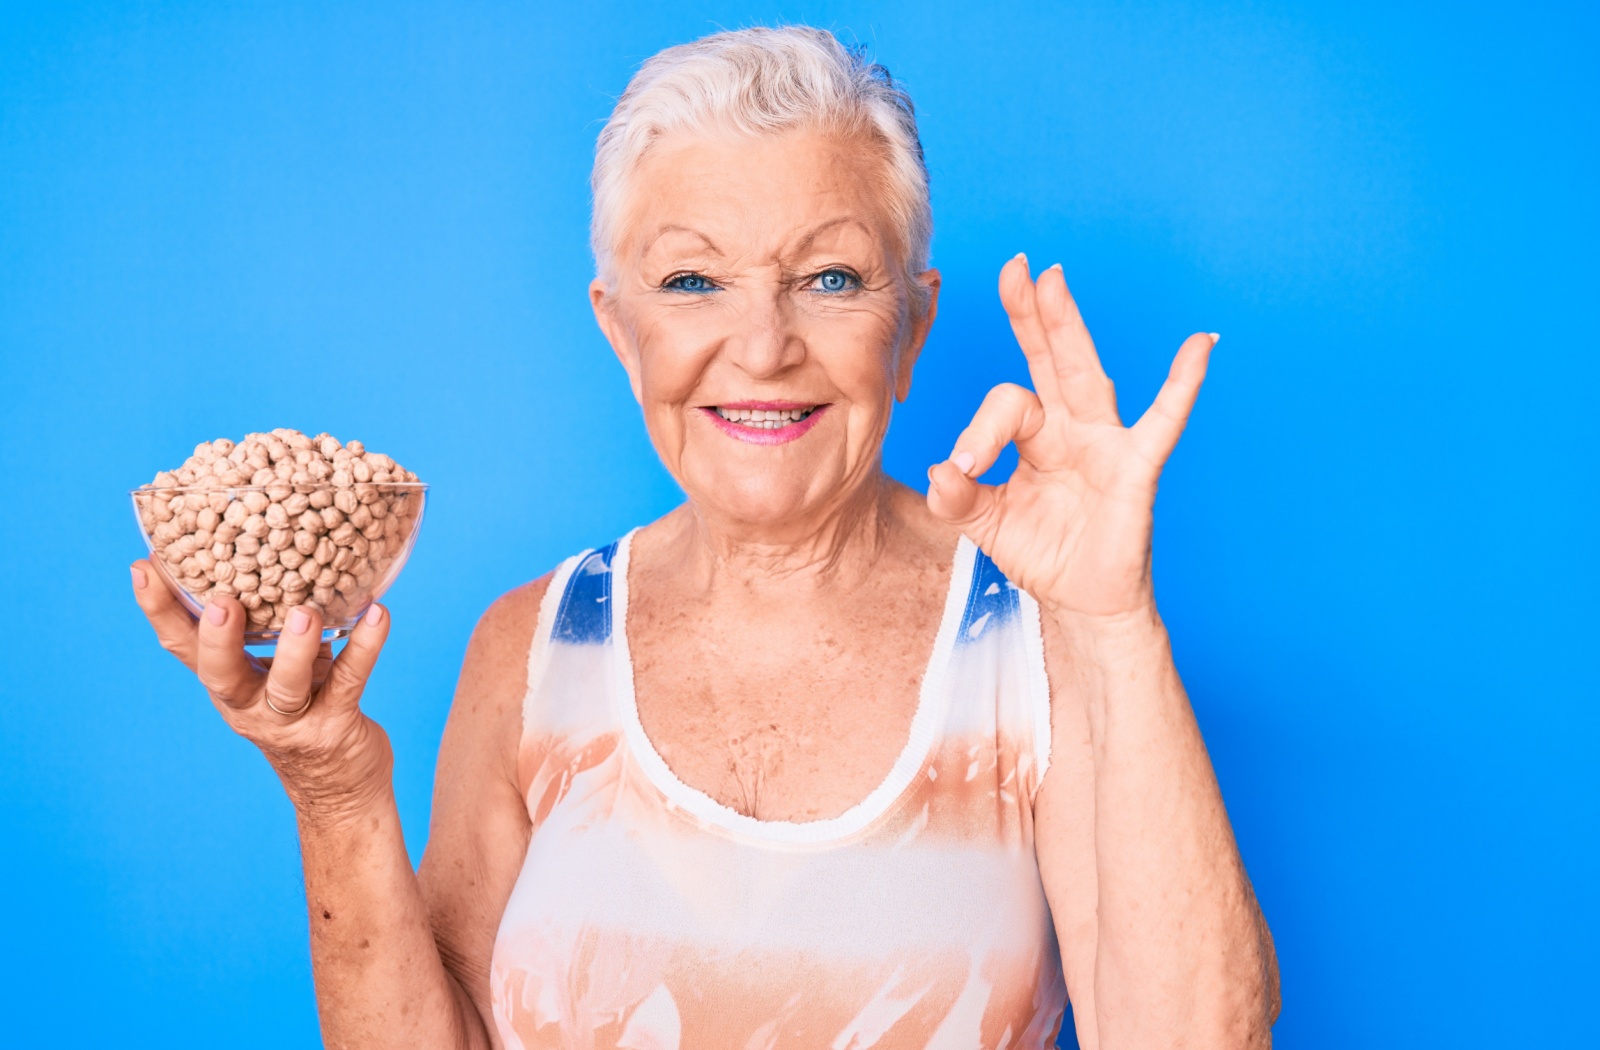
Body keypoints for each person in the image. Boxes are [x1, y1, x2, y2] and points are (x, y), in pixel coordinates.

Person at [130, 25, 1278, 1049]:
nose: (763, 345)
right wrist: (334, 793)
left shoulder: (1043, 646)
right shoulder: (531, 649)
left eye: (829, 277)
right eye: (692, 281)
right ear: (620, 331)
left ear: (912, 325)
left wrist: (1115, 627)